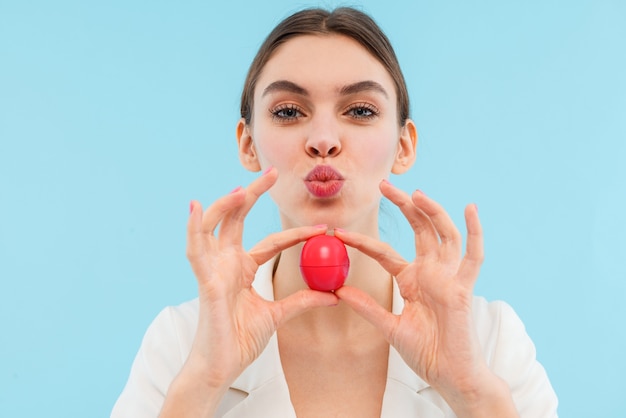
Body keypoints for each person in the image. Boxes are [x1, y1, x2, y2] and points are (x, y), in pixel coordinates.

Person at [111, 7, 558, 418]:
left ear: (404, 146)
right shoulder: (181, 344)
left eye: (360, 110)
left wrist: (474, 396)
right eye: (289, 111)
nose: (323, 138)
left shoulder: (490, 340)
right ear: (248, 144)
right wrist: (205, 383)